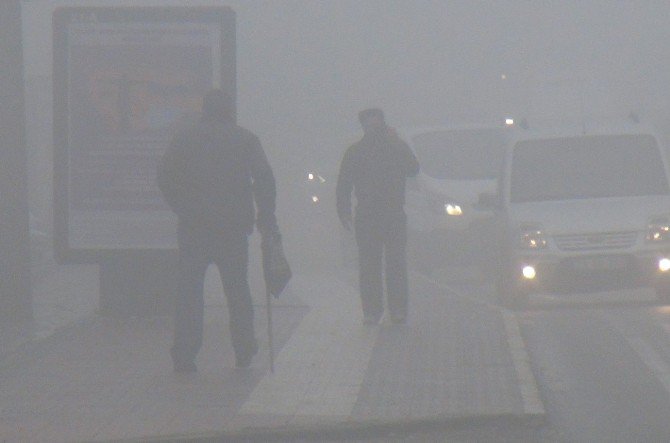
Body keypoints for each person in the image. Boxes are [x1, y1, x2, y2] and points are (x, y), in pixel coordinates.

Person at [157, 89, 279, 372]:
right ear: (229, 110)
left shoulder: (184, 138)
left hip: (194, 226)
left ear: (205, 109)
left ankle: (185, 354)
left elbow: (164, 175)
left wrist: (181, 206)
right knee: (237, 290)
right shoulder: (245, 139)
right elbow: (264, 178)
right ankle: (244, 348)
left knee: (189, 291)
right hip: (233, 227)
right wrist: (266, 216)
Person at [336, 108, 419, 325]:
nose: (373, 126)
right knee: (370, 265)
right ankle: (373, 311)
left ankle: (397, 310)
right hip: (368, 215)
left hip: (392, 214)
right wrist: (343, 209)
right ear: (363, 125)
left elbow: (413, 169)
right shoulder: (355, 152)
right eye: (369, 122)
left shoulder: (395, 147)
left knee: (395, 264)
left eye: (376, 122)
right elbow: (344, 184)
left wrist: (398, 143)